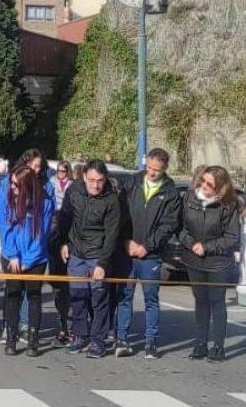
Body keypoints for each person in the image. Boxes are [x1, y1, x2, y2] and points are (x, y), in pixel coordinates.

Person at [115, 148, 181, 359]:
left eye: (157, 170)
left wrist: (147, 246)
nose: (152, 173)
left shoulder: (171, 192)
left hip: (151, 255)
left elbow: (168, 225)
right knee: (124, 296)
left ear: (165, 169)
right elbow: (120, 213)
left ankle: (151, 342)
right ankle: (122, 338)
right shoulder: (131, 183)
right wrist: (126, 241)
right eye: (150, 168)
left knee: (150, 298)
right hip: (127, 250)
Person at [59, 160, 121, 359]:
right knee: (78, 297)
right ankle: (79, 336)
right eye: (92, 180)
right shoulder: (74, 191)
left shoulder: (111, 200)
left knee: (99, 298)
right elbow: (64, 219)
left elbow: (112, 234)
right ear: (84, 176)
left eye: (100, 181)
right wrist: (63, 243)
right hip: (76, 252)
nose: (96, 185)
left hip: (98, 253)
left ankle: (98, 340)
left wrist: (103, 263)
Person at [179, 166, 241, 363]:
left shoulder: (228, 205)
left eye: (209, 184)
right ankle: (200, 344)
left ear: (220, 188)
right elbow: (179, 228)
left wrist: (207, 247)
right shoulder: (188, 198)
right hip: (193, 260)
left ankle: (218, 347)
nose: (204, 186)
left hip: (218, 263)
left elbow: (232, 237)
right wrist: (191, 244)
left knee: (217, 302)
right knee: (200, 301)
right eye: (203, 181)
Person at [0, 166, 55, 357]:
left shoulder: (44, 202)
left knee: (34, 294)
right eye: (11, 183)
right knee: (13, 294)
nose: (11, 187)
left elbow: (41, 235)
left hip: (35, 257)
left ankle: (32, 341)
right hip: (12, 256)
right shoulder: (8, 196)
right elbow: (3, 225)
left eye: (15, 185)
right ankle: (11, 339)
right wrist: (12, 255)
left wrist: (28, 260)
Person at [48, 160, 74, 348]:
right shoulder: (51, 184)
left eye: (64, 171)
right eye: (59, 171)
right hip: (56, 247)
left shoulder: (73, 189)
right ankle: (63, 327)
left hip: (73, 250)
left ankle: (73, 329)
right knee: (59, 289)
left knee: (75, 291)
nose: (61, 173)